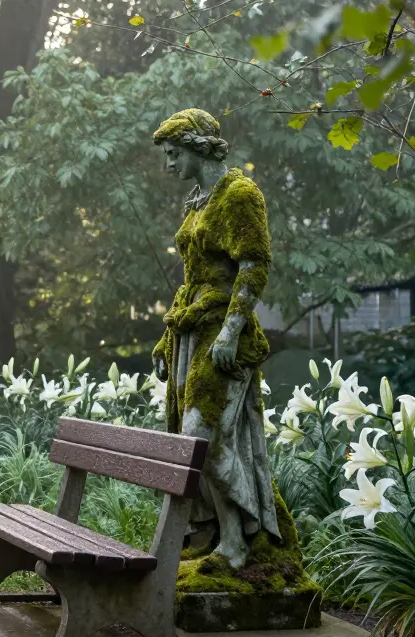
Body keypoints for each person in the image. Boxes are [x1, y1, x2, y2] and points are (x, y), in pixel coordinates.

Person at [151, 108, 280, 568]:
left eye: (172, 154)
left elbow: (254, 265)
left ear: (196, 147)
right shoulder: (196, 200)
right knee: (193, 442)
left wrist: (231, 330)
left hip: (223, 334)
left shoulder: (238, 193)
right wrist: (169, 342)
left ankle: (239, 542)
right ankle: (221, 538)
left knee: (201, 436)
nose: (168, 164)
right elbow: (191, 277)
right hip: (193, 330)